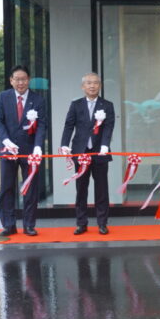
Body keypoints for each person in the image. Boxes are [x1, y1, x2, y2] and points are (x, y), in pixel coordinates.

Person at [0, 65, 47, 236]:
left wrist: (38, 146)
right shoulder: (3, 97)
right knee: (7, 188)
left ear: (28, 80)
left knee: (31, 189)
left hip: (30, 151)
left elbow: (41, 126)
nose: (20, 82)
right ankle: (9, 225)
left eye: (24, 79)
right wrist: (6, 141)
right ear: (11, 80)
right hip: (8, 149)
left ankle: (29, 225)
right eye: (17, 79)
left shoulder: (38, 100)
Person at [61, 73, 115, 235]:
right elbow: (69, 125)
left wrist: (105, 145)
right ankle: (81, 223)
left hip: (99, 152)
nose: (92, 86)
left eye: (96, 83)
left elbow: (108, 127)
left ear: (100, 86)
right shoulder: (76, 105)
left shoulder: (107, 105)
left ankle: (102, 223)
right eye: (89, 83)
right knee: (81, 189)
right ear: (83, 86)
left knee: (101, 190)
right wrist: (64, 144)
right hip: (80, 153)